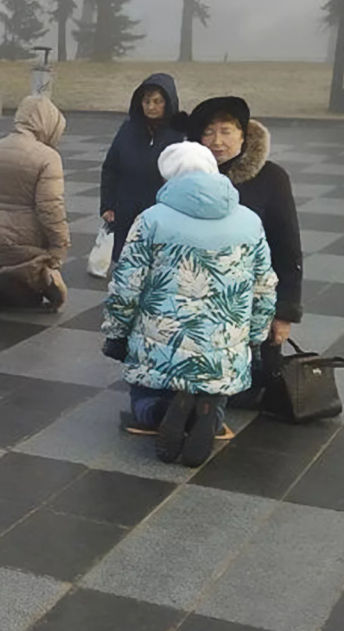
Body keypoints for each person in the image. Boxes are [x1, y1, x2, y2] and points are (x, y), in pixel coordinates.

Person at [103, 142, 278, 467]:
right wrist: (255, 338)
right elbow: (264, 286)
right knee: (216, 385)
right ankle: (209, 412)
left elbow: (126, 285)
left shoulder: (151, 220)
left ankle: (162, 411)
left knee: (144, 398)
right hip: (224, 347)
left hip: (162, 344)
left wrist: (116, 333)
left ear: (170, 177)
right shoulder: (249, 221)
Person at [188, 96, 304, 406]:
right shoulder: (187, 179)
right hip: (197, 303)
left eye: (227, 131)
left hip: (251, 304)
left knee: (245, 395)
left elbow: (287, 247)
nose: (217, 141)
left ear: (243, 134)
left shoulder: (271, 179)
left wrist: (284, 312)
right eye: (209, 132)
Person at [0, 94, 71, 318]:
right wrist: (59, 249)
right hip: (27, 249)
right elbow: (50, 210)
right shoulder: (48, 158)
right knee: (42, 284)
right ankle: (15, 284)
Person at [99, 73, 183, 268]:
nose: (151, 107)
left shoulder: (179, 133)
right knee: (125, 266)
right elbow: (110, 168)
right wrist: (108, 205)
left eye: (157, 101)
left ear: (168, 102)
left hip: (162, 213)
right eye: (146, 101)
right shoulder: (128, 129)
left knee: (158, 268)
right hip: (126, 210)